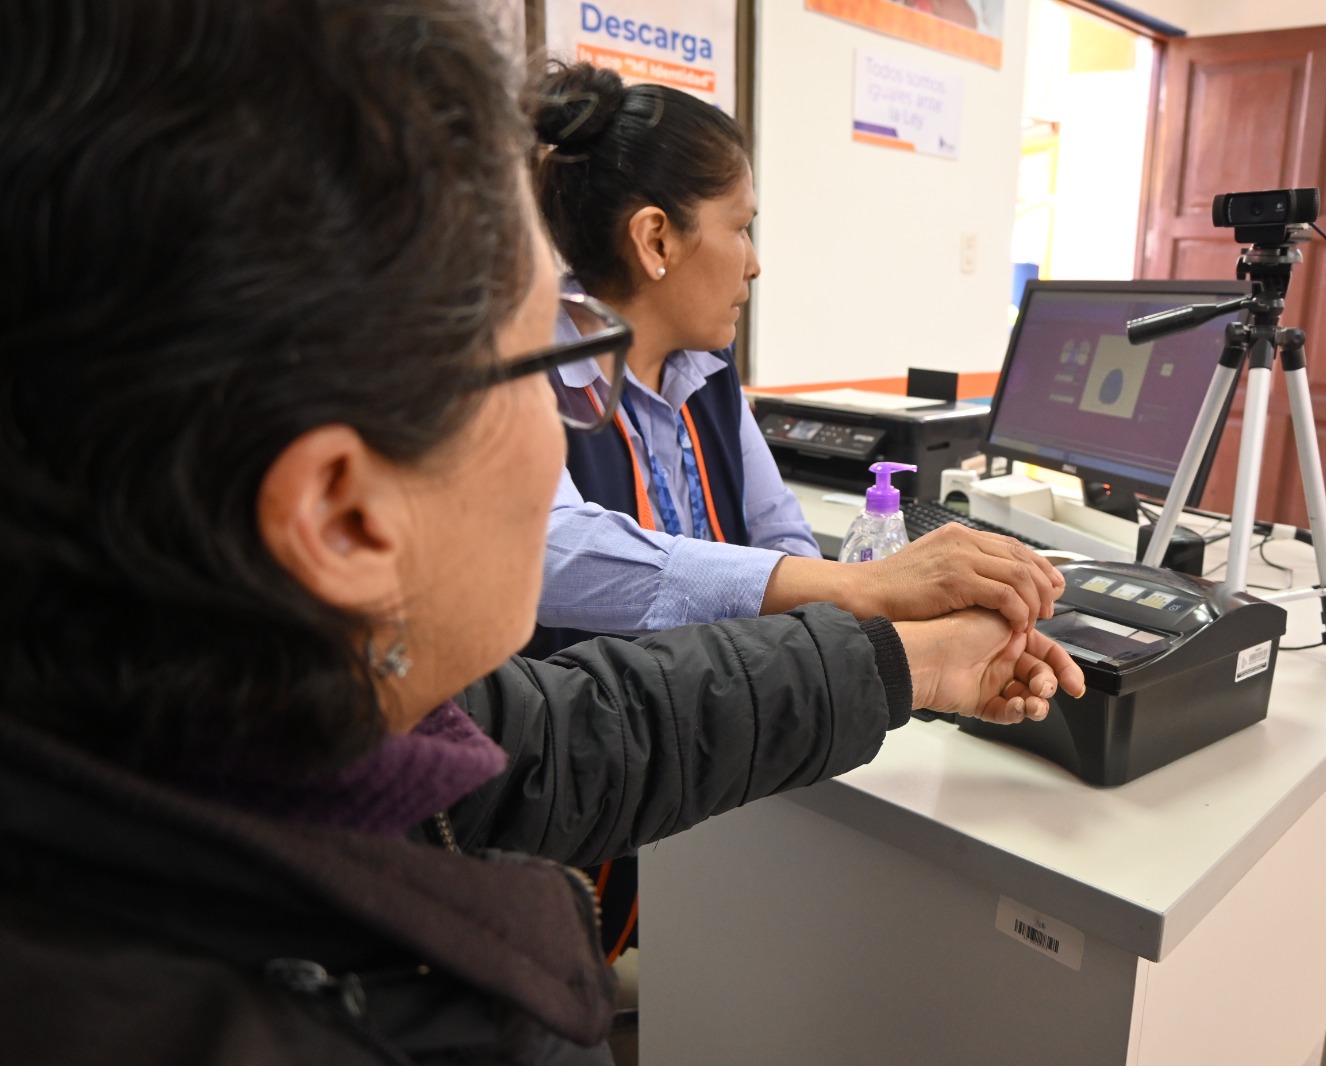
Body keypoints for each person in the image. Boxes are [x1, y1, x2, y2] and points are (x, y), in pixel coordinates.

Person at [0, 3, 1084, 1064]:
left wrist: (911, 658)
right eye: (540, 370)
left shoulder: (272, 719)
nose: (576, 415)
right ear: (341, 516)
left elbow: (576, 732)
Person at [527, 60, 1066, 658]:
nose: (753, 262)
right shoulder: (525, 374)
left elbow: (779, 531)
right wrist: (858, 587)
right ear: (657, 238)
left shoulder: (706, 369)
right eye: (740, 227)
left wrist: (892, 650)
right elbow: (551, 552)